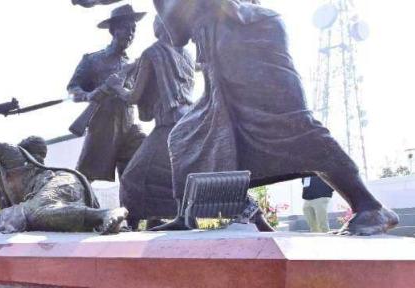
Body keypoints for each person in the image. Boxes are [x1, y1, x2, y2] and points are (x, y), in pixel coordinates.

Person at [151, 0, 398, 235]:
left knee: (287, 125)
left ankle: (370, 207)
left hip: (245, 28)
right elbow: (178, 35)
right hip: (215, 41)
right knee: (186, 136)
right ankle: (195, 212)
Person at [0, 104, 128, 234]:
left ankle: (105, 213)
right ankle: (100, 219)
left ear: (24, 146)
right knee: (41, 213)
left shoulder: (14, 153)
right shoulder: (30, 166)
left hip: (61, 181)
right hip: (68, 183)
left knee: (37, 212)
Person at [117, 15, 195, 229]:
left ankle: (130, 226)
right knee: (166, 176)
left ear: (159, 27)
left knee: (132, 178)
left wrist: (117, 87)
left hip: (167, 125)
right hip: (188, 123)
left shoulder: (152, 53)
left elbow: (134, 97)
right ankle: (159, 218)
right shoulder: (187, 55)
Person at [67, 5, 147, 184]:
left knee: (135, 172)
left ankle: (132, 203)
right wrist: (89, 95)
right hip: (103, 128)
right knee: (84, 179)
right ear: (114, 30)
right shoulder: (92, 60)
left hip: (128, 128)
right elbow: (72, 89)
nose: (131, 34)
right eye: (126, 28)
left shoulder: (133, 65)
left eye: (133, 29)